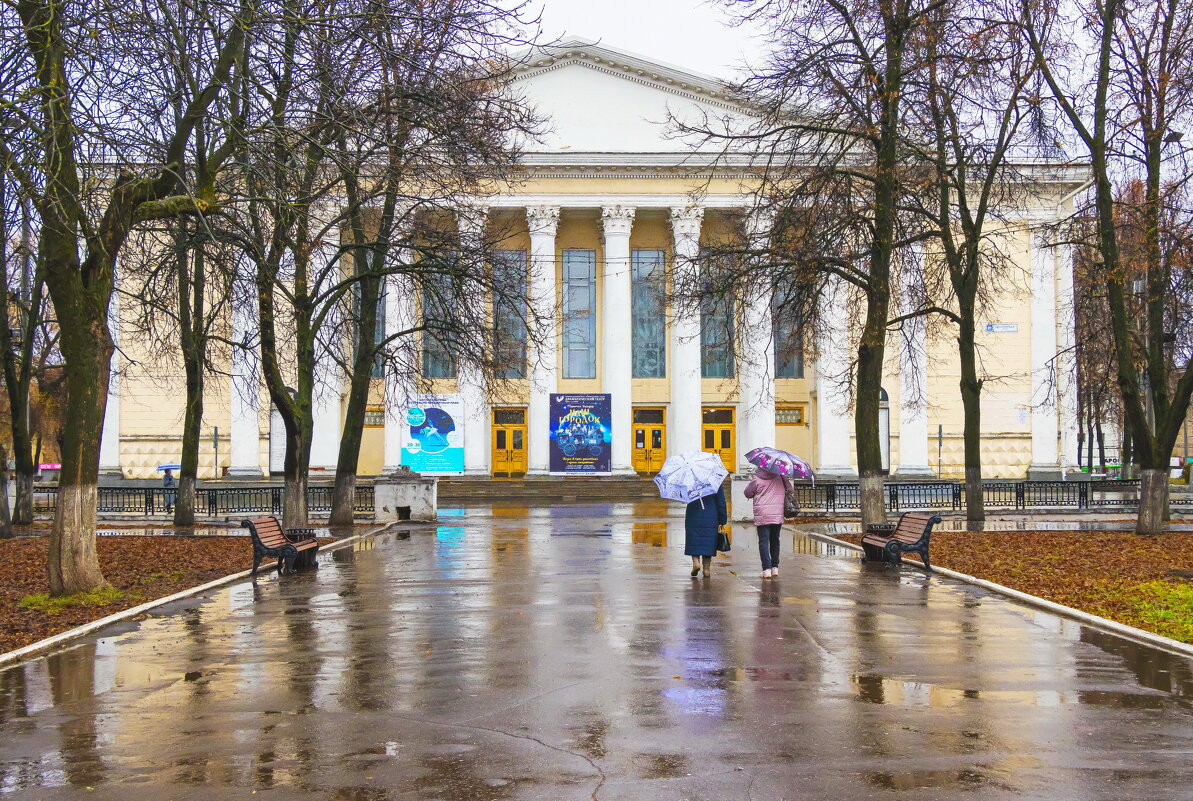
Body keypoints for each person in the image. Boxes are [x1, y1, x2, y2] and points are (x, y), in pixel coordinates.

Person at [744, 466, 787, 578]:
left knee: (763, 541)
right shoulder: (780, 477)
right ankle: (775, 568)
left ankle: (766, 569)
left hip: (762, 514)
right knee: (775, 540)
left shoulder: (757, 479)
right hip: (777, 513)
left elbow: (747, 493)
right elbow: (790, 489)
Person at [684, 484, 727, 577]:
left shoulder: (689, 482)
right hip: (711, 514)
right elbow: (721, 503)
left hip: (693, 513)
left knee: (694, 539)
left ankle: (696, 563)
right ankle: (706, 569)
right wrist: (723, 519)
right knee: (708, 541)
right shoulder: (715, 482)